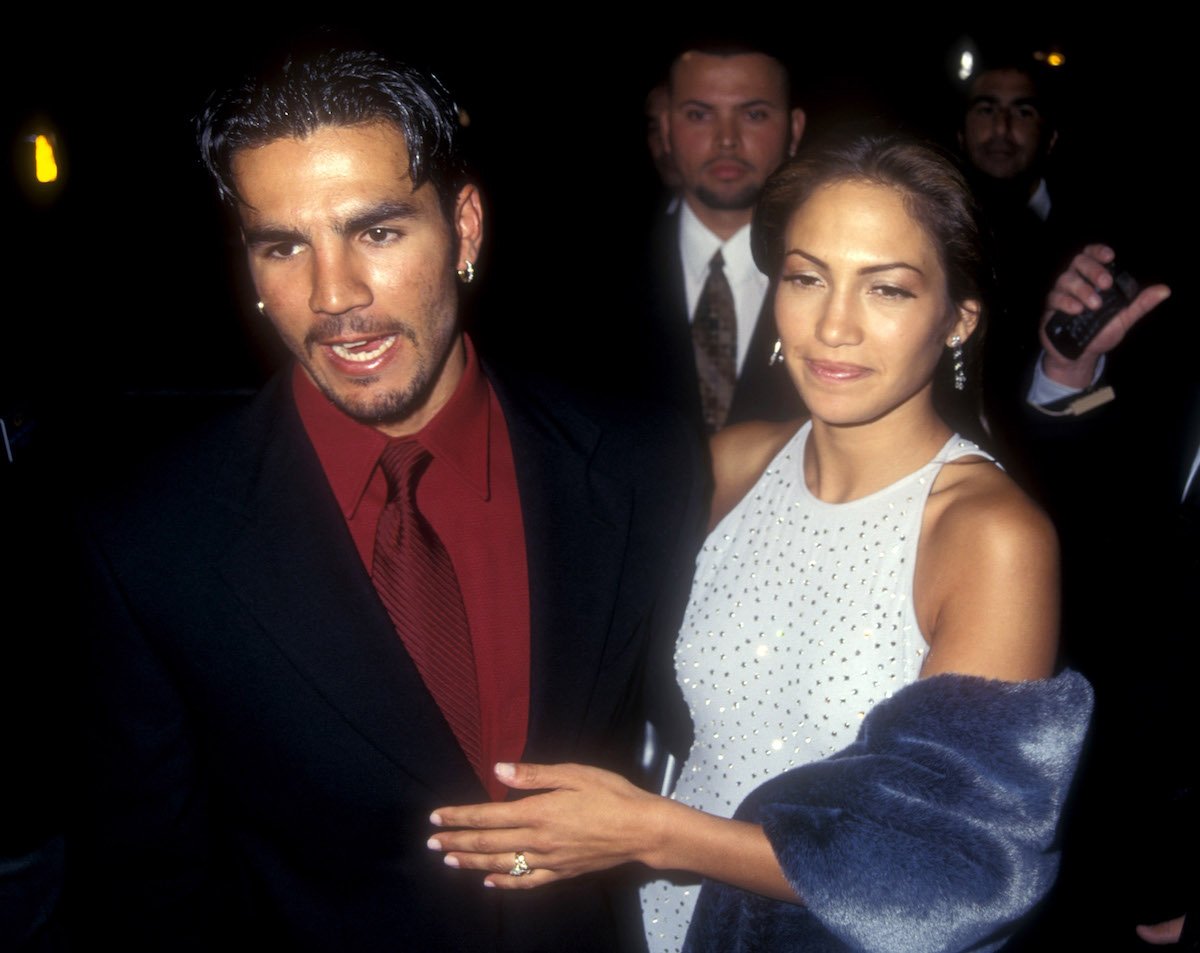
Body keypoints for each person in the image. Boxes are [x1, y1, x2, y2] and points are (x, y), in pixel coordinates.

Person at [68, 48, 705, 951]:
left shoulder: (643, 465)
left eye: (377, 231)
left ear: (466, 227)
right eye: (284, 245)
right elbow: (146, 890)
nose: (335, 296)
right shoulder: (148, 538)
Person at [426, 136, 1092, 952]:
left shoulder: (990, 535)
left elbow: (947, 864)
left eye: (886, 289)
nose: (834, 324)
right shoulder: (735, 463)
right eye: (807, 277)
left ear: (959, 318)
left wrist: (648, 833)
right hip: (660, 923)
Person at [633, 44, 807, 434]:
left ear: (794, 130)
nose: (726, 139)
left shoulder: (838, 274)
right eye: (699, 115)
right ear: (665, 129)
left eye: (754, 114)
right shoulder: (580, 275)